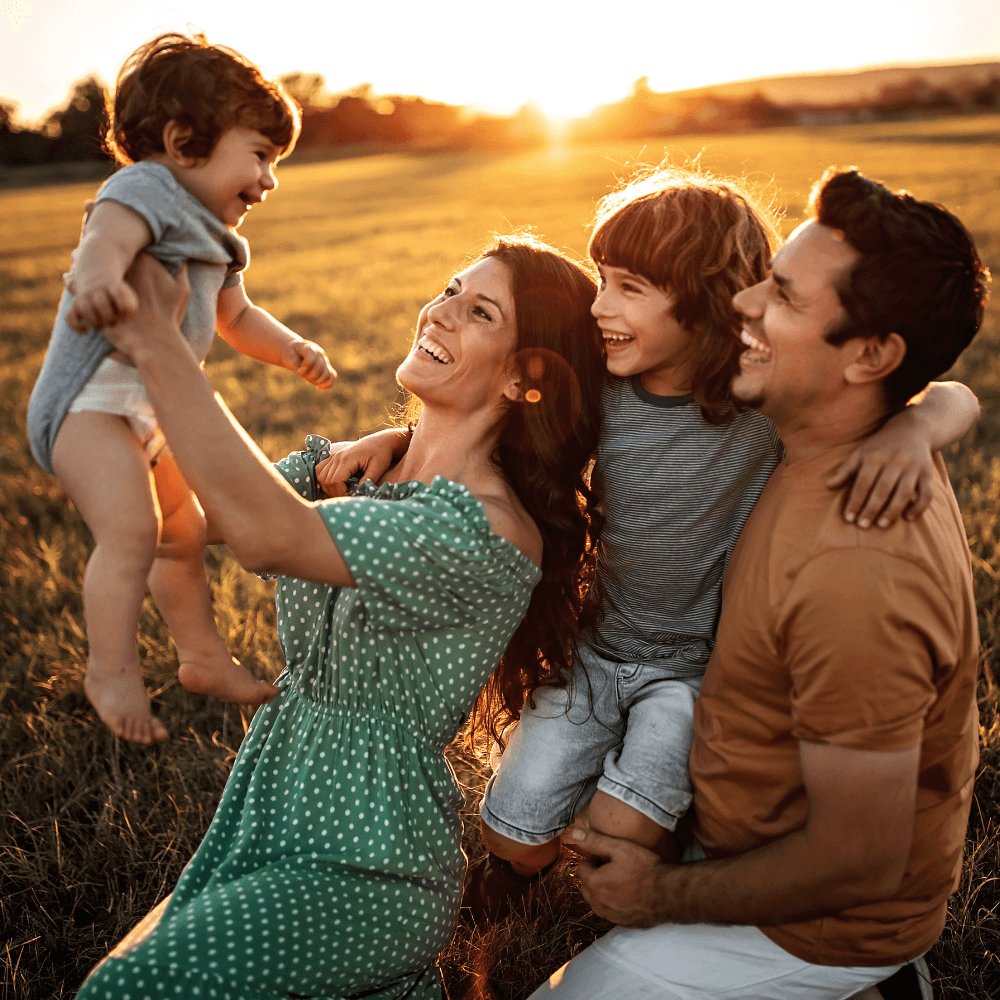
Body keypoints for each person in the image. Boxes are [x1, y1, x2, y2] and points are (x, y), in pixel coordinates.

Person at [319, 167, 980, 918]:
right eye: (602, 280)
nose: (600, 307)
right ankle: (509, 878)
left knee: (620, 835)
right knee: (514, 832)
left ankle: (657, 848)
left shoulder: (755, 396)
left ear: (704, 303)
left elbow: (949, 391)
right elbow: (508, 433)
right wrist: (396, 434)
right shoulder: (605, 387)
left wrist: (916, 427)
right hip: (596, 650)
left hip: (691, 676)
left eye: (629, 287)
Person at [73, 233, 606, 1000]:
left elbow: (266, 534)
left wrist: (160, 348)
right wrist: (117, 398)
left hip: (370, 866)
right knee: (116, 985)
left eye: (480, 310)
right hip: (265, 817)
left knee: (123, 992)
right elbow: (183, 517)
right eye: (452, 286)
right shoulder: (360, 469)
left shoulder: (485, 529)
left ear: (528, 377)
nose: (443, 310)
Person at [539, 168, 988, 1000]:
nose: (742, 302)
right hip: (736, 831)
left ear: (870, 356)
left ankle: (878, 985)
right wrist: (923, 419)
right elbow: (946, 394)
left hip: (818, 924)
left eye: (780, 295)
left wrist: (657, 894)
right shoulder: (826, 434)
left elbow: (859, 858)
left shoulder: (858, 571)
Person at [26, 33, 336, 745]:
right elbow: (104, 239)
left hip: (151, 407)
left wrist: (290, 350)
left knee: (183, 534)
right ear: (183, 139)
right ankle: (109, 669)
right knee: (133, 531)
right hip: (87, 405)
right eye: (259, 155)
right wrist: (101, 276)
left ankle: (202, 657)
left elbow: (236, 317)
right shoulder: (146, 189)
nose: (269, 179)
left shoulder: (223, 239)